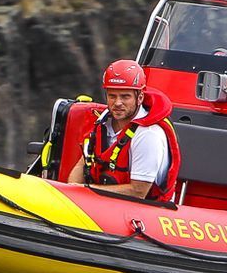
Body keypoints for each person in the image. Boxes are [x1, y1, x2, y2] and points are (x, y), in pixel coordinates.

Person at [68, 59, 178, 201]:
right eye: (112, 96)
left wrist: (85, 191)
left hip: (144, 211)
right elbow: (83, 162)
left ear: (140, 97)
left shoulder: (149, 134)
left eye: (125, 96)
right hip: (103, 202)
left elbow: (138, 191)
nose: (118, 103)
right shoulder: (103, 122)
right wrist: (72, 190)